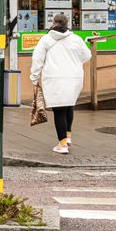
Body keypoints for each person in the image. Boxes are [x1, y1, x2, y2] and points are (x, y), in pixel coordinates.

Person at [29, 13, 91, 153]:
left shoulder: (46, 40)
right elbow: (87, 55)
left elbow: (37, 59)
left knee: (59, 110)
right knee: (69, 105)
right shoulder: (76, 39)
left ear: (53, 22)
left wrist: (34, 77)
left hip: (54, 78)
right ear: (67, 23)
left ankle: (62, 144)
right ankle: (67, 137)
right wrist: (74, 63)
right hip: (74, 77)